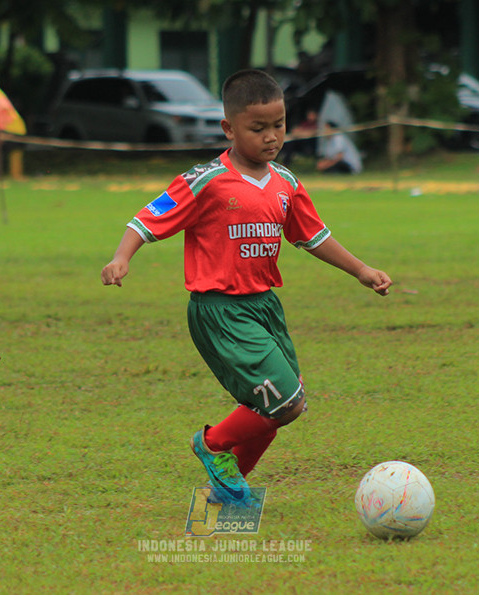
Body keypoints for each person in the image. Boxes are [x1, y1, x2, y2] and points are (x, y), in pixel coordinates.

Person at [100, 69, 392, 505]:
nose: (271, 137)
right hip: (220, 310)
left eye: (279, 125)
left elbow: (312, 236)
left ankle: (228, 489)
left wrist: (361, 270)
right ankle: (213, 444)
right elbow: (148, 217)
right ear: (229, 128)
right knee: (285, 403)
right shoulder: (206, 180)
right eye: (258, 128)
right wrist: (122, 256)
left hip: (264, 307)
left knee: (279, 407)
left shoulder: (286, 183)